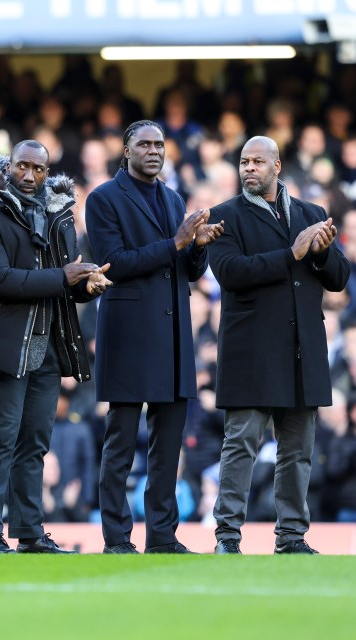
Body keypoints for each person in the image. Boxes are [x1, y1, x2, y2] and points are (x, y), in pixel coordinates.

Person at [0, 141, 109, 554]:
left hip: (47, 345)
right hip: (3, 343)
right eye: (22, 166)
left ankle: (29, 532)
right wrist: (66, 277)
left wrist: (86, 287)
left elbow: (64, 285)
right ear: (9, 167)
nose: (29, 176)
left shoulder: (61, 216)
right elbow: (0, 279)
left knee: (34, 443)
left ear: (49, 172)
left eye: (38, 169)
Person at [208, 136, 350, 554]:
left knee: (298, 451)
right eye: (243, 161)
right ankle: (227, 536)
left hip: (301, 349)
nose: (249, 168)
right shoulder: (224, 216)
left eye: (257, 161)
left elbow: (339, 279)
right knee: (241, 446)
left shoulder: (312, 214)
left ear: (278, 166)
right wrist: (293, 253)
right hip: (251, 351)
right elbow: (230, 273)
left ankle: (291, 536)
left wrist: (321, 254)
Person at [85, 119, 222, 554]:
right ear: (126, 150)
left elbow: (188, 271)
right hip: (128, 335)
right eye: (144, 144)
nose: (155, 150)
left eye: (160, 144)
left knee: (168, 447)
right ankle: (117, 538)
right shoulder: (103, 198)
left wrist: (198, 246)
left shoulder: (172, 197)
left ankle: (162, 536)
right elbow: (113, 262)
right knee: (121, 444)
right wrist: (177, 242)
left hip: (173, 335)